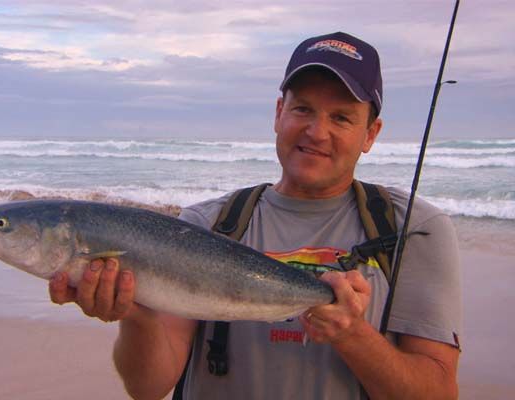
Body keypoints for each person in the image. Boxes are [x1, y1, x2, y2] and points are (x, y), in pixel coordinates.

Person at [49, 32, 462, 400]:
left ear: (370, 134)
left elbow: (438, 392)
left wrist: (353, 335)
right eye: (303, 109)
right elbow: (149, 387)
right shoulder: (205, 224)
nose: (317, 132)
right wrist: (136, 316)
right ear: (279, 112)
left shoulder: (413, 231)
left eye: (341, 117)